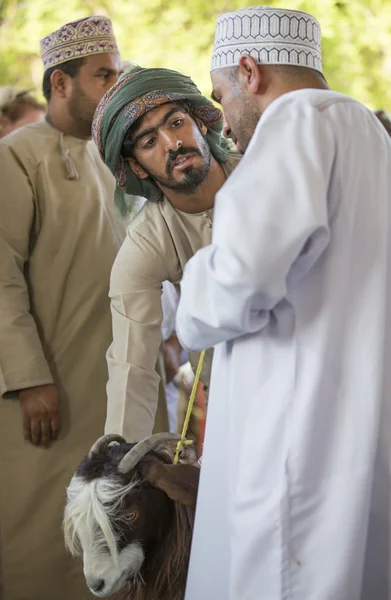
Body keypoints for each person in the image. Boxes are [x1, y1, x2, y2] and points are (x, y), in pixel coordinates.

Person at [176, 6, 391, 599]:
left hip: (294, 444)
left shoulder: (297, 122)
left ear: (249, 70)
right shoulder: (367, 132)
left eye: (221, 98)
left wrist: (184, 297)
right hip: (346, 431)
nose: (223, 122)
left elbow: (241, 277)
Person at [0, 16, 122, 600]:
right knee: (40, 540)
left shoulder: (118, 155)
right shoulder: (16, 157)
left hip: (117, 388)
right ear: (60, 83)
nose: (114, 86)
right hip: (48, 393)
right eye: (103, 75)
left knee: (119, 536)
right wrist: (28, 379)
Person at [91, 66, 241, 442]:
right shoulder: (147, 242)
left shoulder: (266, 173)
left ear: (200, 123)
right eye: (148, 142)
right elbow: (132, 366)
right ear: (137, 166)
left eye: (176, 123)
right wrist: (119, 462)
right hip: (233, 396)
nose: (172, 143)